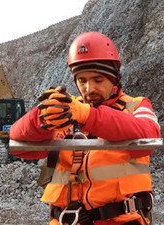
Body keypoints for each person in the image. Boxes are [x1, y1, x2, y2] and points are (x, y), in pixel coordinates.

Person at [9, 31, 161, 225]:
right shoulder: (66, 109)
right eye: (82, 81)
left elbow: (148, 138)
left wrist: (87, 114)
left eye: (98, 80)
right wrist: (41, 117)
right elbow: (17, 144)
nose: (89, 89)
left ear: (114, 78)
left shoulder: (136, 106)